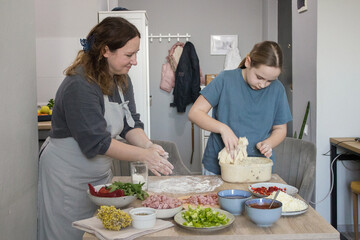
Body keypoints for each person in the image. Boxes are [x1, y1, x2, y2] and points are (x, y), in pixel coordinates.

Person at [38, 17, 174, 240]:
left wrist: (149, 146)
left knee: (96, 231)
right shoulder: (79, 84)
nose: (135, 61)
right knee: (68, 232)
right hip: (67, 176)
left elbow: (131, 124)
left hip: (97, 174)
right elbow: (97, 142)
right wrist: (144, 156)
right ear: (105, 51)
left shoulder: (121, 79)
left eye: (136, 54)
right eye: (129, 55)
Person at [188, 41, 292, 175]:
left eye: (269, 81)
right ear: (248, 62)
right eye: (259, 77)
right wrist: (223, 128)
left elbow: (280, 129)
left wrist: (269, 143)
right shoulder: (225, 79)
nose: (263, 85)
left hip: (258, 169)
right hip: (218, 168)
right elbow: (195, 113)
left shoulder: (278, 89)